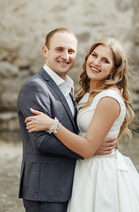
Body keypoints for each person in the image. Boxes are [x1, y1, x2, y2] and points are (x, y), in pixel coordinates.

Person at [25, 37, 139, 211]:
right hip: (85, 170)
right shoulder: (87, 93)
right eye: (94, 55)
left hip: (101, 174)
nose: (96, 62)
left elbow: (87, 149)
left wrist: (52, 125)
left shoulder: (109, 98)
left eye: (105, 61)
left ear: (114, 70)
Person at [17, 28, 117, 212]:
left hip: (69, 186)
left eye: (71, 51)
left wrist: (93, 140)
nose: (65, 56)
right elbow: (41, 141)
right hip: (46, 188)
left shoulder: (69, 88)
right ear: (45, 51)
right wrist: (89, 149)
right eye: (59, 49)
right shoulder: (35, 87)